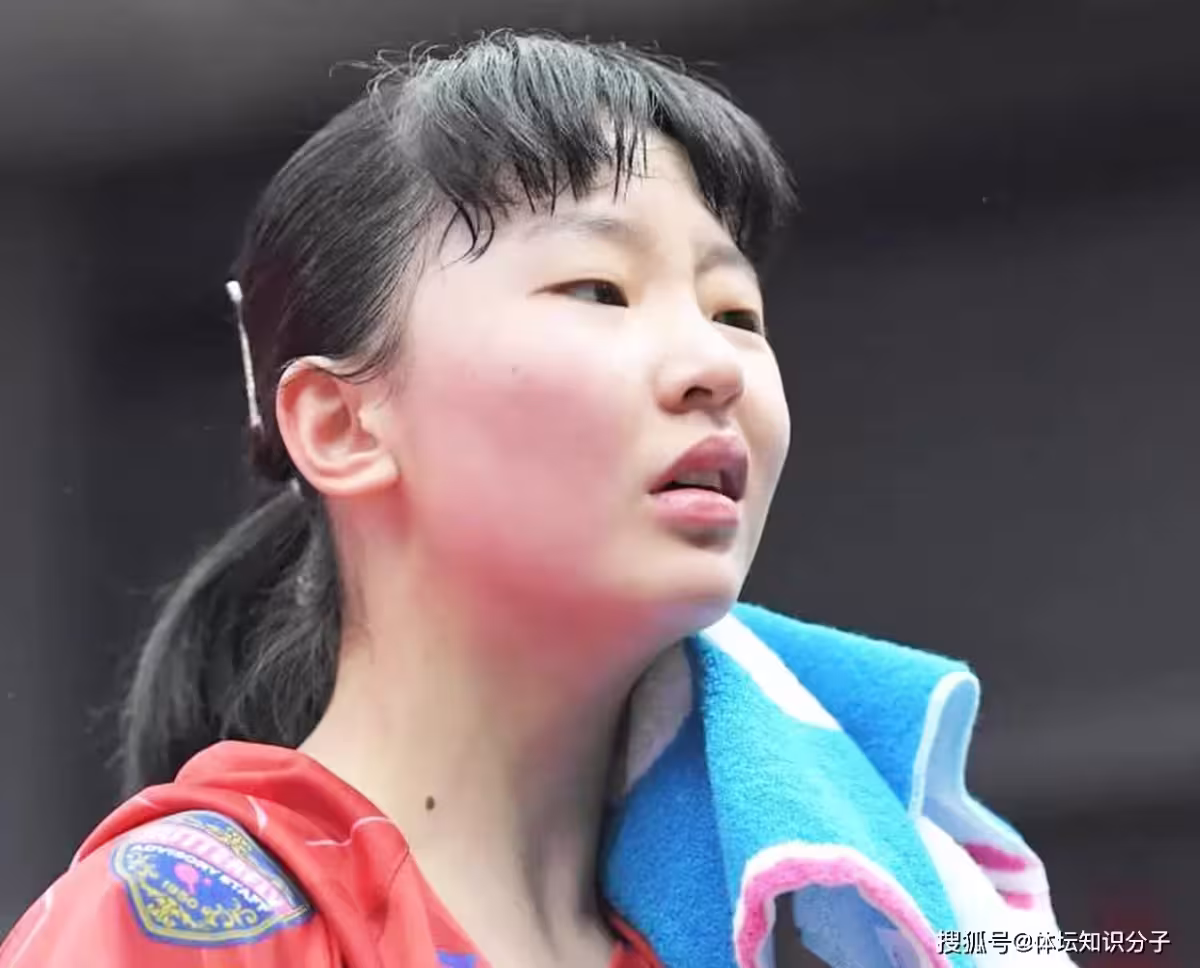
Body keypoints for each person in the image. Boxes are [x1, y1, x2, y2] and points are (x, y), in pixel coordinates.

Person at [0, 30, 799, 968]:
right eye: (598, 288)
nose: (714, 366)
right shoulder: (185, 925)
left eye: (734, 312)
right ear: (342, 426)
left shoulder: (832, 920)